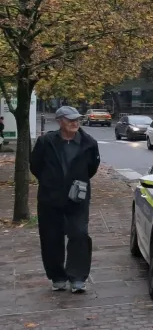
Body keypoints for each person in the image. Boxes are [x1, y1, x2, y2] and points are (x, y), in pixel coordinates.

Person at [29, 106, 100, 293]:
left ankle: (77, 278)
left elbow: (92, 168)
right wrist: (51, 181)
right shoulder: (46, 142)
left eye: (77, 119)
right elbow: (35, 166)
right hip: (50, 199)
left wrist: (76, 182)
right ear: (60, 121)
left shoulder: (89, 143)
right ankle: (57, 277)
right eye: (70, 120)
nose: (75, 123)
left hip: (77, 198)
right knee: (51, 237)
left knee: (79, 234)